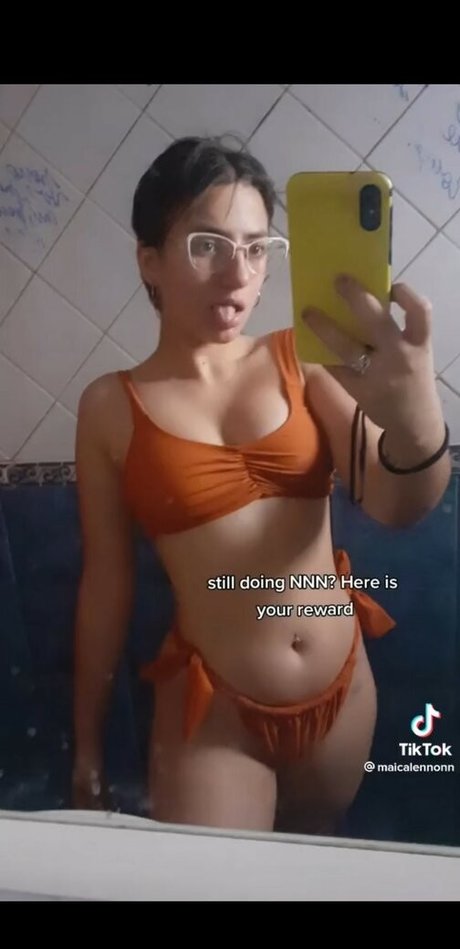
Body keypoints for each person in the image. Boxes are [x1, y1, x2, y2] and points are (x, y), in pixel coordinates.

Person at [72, 136, 451, 835]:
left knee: (316, 865)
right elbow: (106, 586)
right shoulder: (109, 407)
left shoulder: (300, 361)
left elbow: (397, 504)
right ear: (149, 259)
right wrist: (86, 747)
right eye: (207, 246)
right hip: (215, 712)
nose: (237, 273)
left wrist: (417, 417)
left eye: (256, 247)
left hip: (342, 690)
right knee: (217, 883)